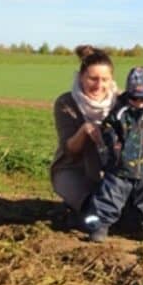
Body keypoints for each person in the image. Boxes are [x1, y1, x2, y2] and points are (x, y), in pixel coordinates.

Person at [84, 66, 143, 242]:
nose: (140, 103)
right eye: (135, 98)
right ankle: (99, 227)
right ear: (128, 95)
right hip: (120, 168)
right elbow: (108, 130)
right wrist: (113, 150)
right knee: (109, 198)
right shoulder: (121, 113)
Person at [51, 45, 118, 226]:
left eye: (105, 79)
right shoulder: (66, 103)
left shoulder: (122, 102)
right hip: (74, 167)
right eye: (93, 79)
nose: (99, 85)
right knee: (94, 213)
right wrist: (84, 130)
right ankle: (80, 207)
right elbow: (69, 150)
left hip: (114, 170)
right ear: (81, 77)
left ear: (111, 79)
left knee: (126, 214)